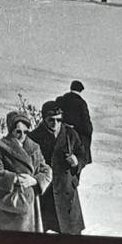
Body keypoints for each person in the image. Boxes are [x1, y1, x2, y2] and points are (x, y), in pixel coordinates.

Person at [28, 99, 89, 235]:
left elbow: (83, 156)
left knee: (71, 234)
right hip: (45, 193)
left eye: (59, 120)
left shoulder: (70, 134)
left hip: (67, 190)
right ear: (44, 119)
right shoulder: (34, 138)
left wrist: (76, 161)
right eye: (51, 120)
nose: (55, 124)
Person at [0, 111, 52, 232]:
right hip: (11, 203)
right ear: (11, 130)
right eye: (18, 131)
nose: (22, 135)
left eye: (26, 131)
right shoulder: (0, 147)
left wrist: (35, 180)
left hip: (30, 203)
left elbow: (46, 170)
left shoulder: (34, 147)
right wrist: (15, 178)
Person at [58, 80, 93, 165]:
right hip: (75, 139)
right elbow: (87, 127)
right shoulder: (82, 104)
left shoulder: (61, 99)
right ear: (81, 90)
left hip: (60, 134)